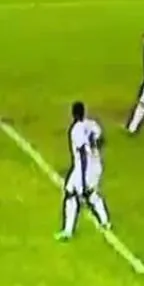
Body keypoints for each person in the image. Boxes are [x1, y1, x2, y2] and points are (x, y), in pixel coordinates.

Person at [57, 101, 111, 241]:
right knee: (88, 193)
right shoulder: (92, 124)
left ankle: (68, 231)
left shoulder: (75, 130)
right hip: (96, 164)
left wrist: (82, 179)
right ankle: (105, 221)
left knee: (75, 195)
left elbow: (82, 155)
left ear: (73, 114)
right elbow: (102, 140)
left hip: (83, 168)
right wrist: (94, 151)